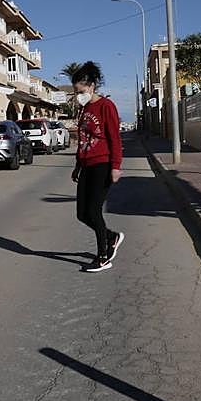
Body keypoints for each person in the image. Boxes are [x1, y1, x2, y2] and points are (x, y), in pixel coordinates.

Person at [71, 62, 124, 272]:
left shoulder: (106, 106)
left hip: (103, 164)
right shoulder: (84, 109)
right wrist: (77, 165)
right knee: (82, 214)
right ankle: (111, 237)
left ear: (91, 86)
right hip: (86, 165)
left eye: (80, 91)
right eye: (76, 92)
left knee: (93, 211)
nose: (78, 95)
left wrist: (116, 166)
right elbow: (83, 139)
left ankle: (103, 257)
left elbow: (115, 138)